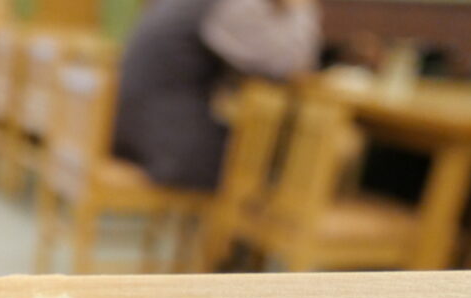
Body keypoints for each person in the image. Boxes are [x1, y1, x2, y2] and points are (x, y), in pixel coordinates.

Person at [113, 0, 321, 190]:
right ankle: (244, 229)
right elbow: (288, 64)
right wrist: (300, 8)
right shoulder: (234, 5)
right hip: (164, 144)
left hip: (128, 127)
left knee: (260, 152)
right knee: (264, 166)